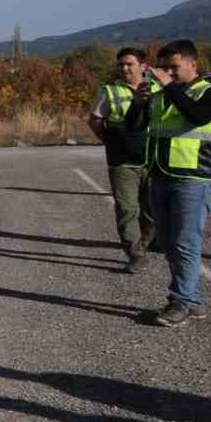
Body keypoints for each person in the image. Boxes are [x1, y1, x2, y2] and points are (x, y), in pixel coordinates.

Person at [125, 39, 211, 327]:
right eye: (164, 68)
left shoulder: (207, 91)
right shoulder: (163, 95)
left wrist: (169, 87)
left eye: (173, 68)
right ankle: (193, 301)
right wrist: (138, 104)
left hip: (193, 179)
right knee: (168, 243)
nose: (168, 73)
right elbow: (134, 127)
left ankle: (180, 302)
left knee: (185, 242)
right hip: (160, 176)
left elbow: (198, 115)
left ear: (193, 64)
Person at [86, 47, 159, 271]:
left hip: (153, 160)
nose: (124, 68)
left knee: (153, 209)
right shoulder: (109, 90)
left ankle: (146, 243)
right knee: (127, 209)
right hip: (122, 162)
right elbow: (95, 121)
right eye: (121, 65)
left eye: (129, 64)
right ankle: (135, 253)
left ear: (143, 67)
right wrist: (110, 140)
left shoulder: (159, 89)